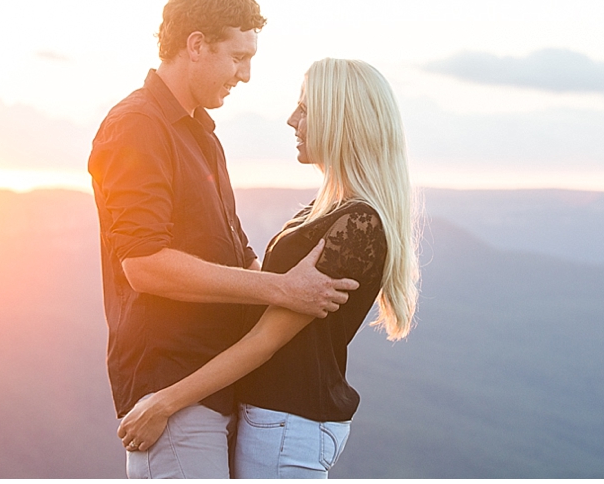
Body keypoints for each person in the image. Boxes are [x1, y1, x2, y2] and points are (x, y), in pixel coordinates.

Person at [87, 0, 359, 479]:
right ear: (196, 45)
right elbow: (143, 264)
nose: (246, 75)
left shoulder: (202, 135)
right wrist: (281, 288)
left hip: (214, 388)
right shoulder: (137, 125)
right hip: (170, 390)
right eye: (238, 57)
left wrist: (297, 289)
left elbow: (232, 250)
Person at [117, 58, 420, 478]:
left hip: (287, 427)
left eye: (306, 109)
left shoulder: (357, 225)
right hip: (281, 424)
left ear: (340, 120)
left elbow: (265, 340)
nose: (293, 120)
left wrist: (165, 401)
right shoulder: (331, 212)